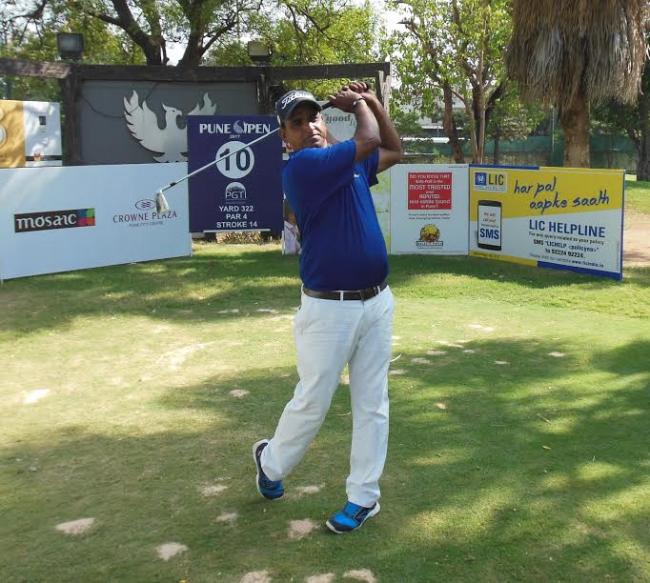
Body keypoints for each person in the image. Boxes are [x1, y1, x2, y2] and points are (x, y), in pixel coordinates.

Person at [253, 81, 401, 533]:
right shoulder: (303, 167)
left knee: (372, 403)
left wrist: (373, 102)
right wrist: (358, 105)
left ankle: (364, 497)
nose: (310, 127)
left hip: (377, 301)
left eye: (314, 117)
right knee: (314, 400)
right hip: (329, 309)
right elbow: (369, 139)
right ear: (284, 137)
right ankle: (271, 463)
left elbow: (394, 149)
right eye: (296, 123)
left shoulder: (345, 160)